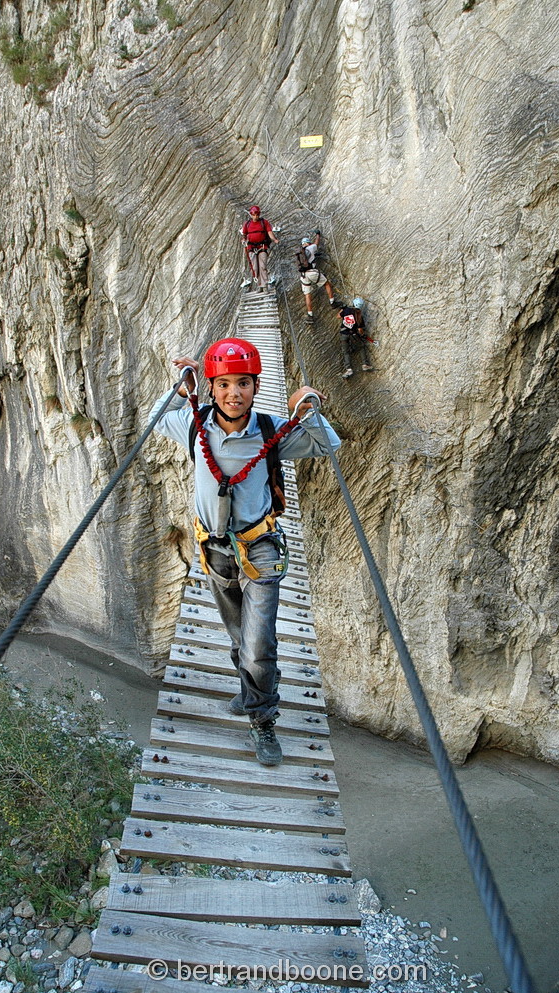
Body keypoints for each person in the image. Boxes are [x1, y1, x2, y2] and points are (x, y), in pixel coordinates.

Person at [149, 338, 341, 766]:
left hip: (261, 548)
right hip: (215, 549)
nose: (234, 393)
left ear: (256, 387)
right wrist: (181, 388)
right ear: (212, 389)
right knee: (239, 636)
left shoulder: (272, 431)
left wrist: (305, 408)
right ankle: (251, 690)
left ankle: (262, 719)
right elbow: (155, 419)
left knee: (257, 643)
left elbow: (329, 444)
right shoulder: (194, 424)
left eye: (243, 384)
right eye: (224, 385)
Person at [297, 232, 341, 323]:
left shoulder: (300, 252)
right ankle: (332, 302)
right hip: (312, 272)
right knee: (327, 284)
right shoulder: (311, 247)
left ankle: (310, 315)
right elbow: (316, 243)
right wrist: (317, 235)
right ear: (308, 243)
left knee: (307, 295)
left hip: (303, 275)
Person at [241, 206, 279, 292]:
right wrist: (243, 240)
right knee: (255, 267)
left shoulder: (264, 222)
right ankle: (259, 286)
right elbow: (244, 234)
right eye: (254, 215)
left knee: (263, 266)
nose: (256, 217)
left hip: (262, 247)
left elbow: (269, 232)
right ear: (251, 214)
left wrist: (274, 239)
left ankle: (264, 285)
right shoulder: (247, 224)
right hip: (251, 247)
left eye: (257, 215)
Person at [339, 297, 374, 378]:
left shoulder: (347, 310)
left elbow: (338, 316)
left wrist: (342, 309)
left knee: (345, 352)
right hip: (354, 335)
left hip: (343, 334)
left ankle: (349, 369)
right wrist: (362, 335)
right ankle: (365, 364)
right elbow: (360, 330)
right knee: (361, 347)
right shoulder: (359, 316)